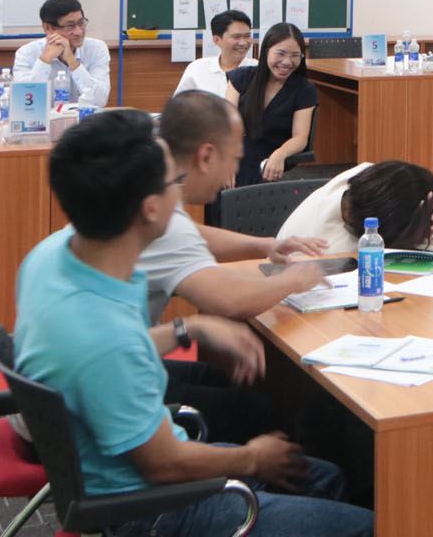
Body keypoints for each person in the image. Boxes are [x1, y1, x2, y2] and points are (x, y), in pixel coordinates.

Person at [14, 111, 373, 536]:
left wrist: (185, 329)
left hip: (110, 467)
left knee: (326, 476)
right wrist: (252, 458)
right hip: (148, 508)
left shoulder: (53, 258)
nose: (180, 193)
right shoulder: (106, 336)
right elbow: (163, 463)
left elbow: (102, 358)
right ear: (151, 209)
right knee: (365, 523)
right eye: (173, 182)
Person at [141, 91, 332, 443]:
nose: (234, 171)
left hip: (110, 368)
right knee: (259, 410)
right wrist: (294, 279)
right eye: (234, 159)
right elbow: (229, 301)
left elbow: (190, 233)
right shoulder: (162, 211)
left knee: (228, 383)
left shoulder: (150, 186)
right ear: (206, 156)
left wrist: (264, 245)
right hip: (113, 395)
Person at [276, 161, 433, 256]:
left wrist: (425, 228)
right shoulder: (336, 251)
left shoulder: (366, 175)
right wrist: (419, 233)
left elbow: (396, 184)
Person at [226, 24, 317, 187]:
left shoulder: (304, 89)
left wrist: (280, 154)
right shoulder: (241, 77)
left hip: (271, 158)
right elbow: (227, 126)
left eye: (295, 55)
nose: (287, 62)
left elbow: (300, 137)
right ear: (266, 50)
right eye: (280, 53)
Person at [12, 0, 111, 105]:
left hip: (85, 116)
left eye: (81, 23)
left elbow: (99, 101)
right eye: (70, 26)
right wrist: (45, 60)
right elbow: (22, 102)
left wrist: (72, 62)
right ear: (48, 28)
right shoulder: (26, 53)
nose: (79, 32)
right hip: (46, 116)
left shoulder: (96, 48)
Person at [174, 9, 258, 97]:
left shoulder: (258, 69)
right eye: (236, 37)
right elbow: (178, 103)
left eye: (247, 36)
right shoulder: (197, 69)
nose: (243, 43)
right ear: (216, 40)